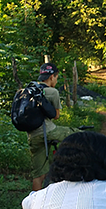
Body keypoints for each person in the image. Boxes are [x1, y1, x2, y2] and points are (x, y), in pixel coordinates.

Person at [28, 62, 78, 191]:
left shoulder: (30, 90)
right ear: (52, 77)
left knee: (38, 175)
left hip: (33, 135)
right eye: (56, 77)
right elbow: (56, 116)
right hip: (49, 131)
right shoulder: (52, 92)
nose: (56, 80)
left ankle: (35, 206)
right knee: (78, 134)